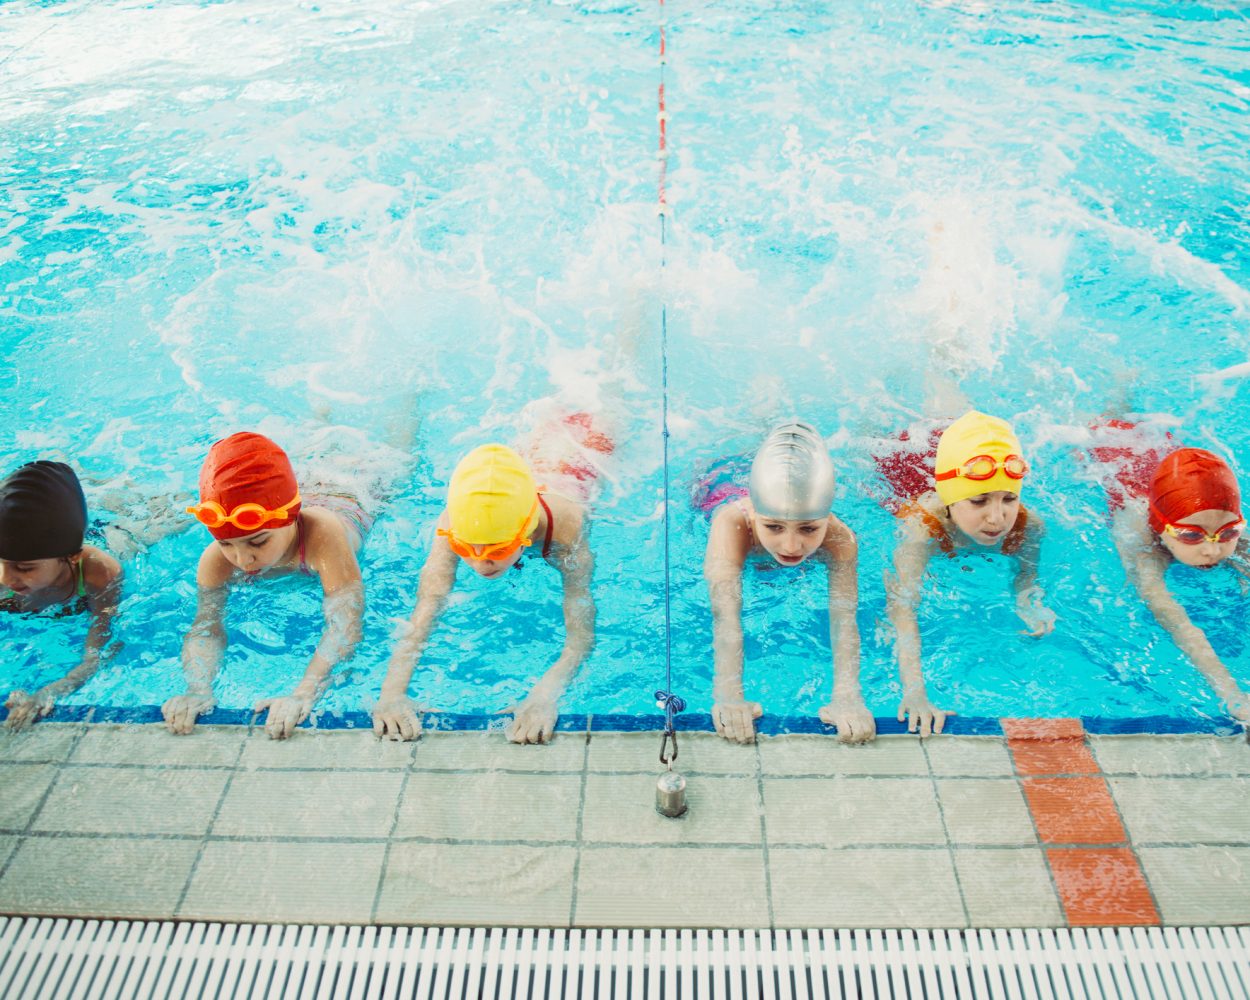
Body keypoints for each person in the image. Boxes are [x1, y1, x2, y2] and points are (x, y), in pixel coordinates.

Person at [373, 415, 608, 745]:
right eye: (465, 548)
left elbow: (581, 633)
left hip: (585, 451)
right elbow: (427, 606)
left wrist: (544, 695)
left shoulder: (567, 529)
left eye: (498, 549)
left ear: (526, 533)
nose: (480, 562)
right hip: (531, 459)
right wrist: (392, 693)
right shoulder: (456, 520)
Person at [162, 432, 370, 739]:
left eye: (258, 542)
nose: (243, 559)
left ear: (291, 519)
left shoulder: (323, 536)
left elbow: (346, 625)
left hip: (351, 494)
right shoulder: (215, 561)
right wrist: (198, 689)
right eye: (226, 544)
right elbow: (206, 628)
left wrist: (304, 693)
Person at [879, 410, 1053, 737]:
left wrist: (1028, 601)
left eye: (1009, 498)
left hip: (958, 456)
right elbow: (901, 607)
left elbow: (1027, 577)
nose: (997, 518)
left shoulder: (1029, 527)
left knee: (953, 411)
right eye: (978, 501)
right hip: (907, 468)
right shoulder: (922, 529)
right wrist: (914, 690)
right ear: (950, 500)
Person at [699, 421, 873, 745]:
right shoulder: (732, 525)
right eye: (774, 527)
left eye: (809, 529)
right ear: (756, 516)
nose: (791, 546)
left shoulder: (841, 539)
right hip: (719, 483)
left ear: (827, 517)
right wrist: (729, 694)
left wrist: (848, 696)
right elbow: (725, 616)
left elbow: (845, 617)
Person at [1090, 421, 1250, 726]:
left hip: (1166, 458)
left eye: (1228, 532)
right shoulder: (1141, 544)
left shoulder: (1221, 522)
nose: (1211, 550)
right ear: (1161, 528)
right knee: (1108, 419)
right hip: (1112, 450)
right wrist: (1233, 695)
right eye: (1191, 536)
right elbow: (1181, 626)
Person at [2, 461, 122, 729]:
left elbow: (97, 654)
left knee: (161, 524)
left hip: (109, 534)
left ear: (72, 557)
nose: (7, 579)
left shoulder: (99, 573)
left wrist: (51, 691)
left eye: (24, 568)